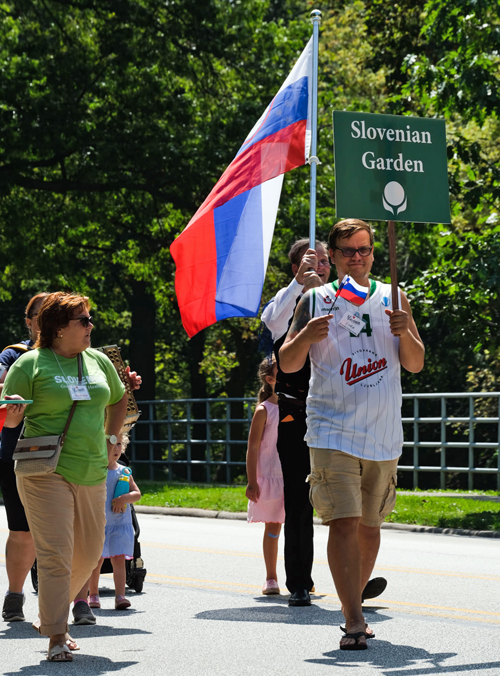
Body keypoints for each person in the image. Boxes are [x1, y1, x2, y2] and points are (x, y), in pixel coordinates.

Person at [279, 219, 425, 649]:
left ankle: (350, 601)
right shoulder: (315, 299)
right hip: (331, 430)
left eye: (363, 250)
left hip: (382, 433)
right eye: (346, 251)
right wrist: (305, 334)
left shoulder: (394, 297)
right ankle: (354, 618)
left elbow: (415, 363)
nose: (355, 257)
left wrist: (406, 332)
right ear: (335, 255)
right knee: (342, 522)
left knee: (369, 525)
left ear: (374, 253)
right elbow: (287, 363)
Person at [2, 291, 129, 662]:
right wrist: (10, 414)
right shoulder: (29, 364)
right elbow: (11, 418)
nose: (91, 326)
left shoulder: (99, 361)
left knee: (90, 552)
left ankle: (50, 614)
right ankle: (57, 633)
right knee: (56, 552)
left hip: (91, 468)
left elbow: (118, 398)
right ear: (58, 328)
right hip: (44, 469)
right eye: (83, 321)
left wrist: (112, 436)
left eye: (90, 319)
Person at [261, 238, 330, 606]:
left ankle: (355, 577)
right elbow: (270, 322)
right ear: (296, 268)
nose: (320, 268)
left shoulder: (343, 298)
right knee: (300, 503)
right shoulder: (287, 304)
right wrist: (300, 286)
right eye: (311, 262)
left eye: (324, 262)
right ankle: (299, 581)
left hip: (340, 413)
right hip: (296, 417)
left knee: (351, 501)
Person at [0, 292, 48, 623]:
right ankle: (14, 595)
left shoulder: (78, 355)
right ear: (29, 322)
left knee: (68, 529)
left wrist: (125, 387)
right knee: (23, 529)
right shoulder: (13, 354)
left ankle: (71, 600)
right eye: (42, 315)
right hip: (22, 447)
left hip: (69, 449)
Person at [87, 431, 141, 610]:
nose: (116, 448)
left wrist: (124, 498)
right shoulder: (96, 472)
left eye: (119, 444)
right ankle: (93, 594)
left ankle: (120, 595)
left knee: (119, 560)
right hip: (100, 524)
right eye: (112, 444)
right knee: (97, 561)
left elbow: (137, 494)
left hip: (119, 524)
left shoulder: (123, 472)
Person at [245, 357, 285, 595]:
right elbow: (253, 448)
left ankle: (301, 575)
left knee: (299, 527)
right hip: (271, 477)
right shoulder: (264, 410)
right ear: (270, 380)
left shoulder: (299, 405)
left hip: (292, 476)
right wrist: (252, 480)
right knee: (273, 528)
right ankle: (271, 578)